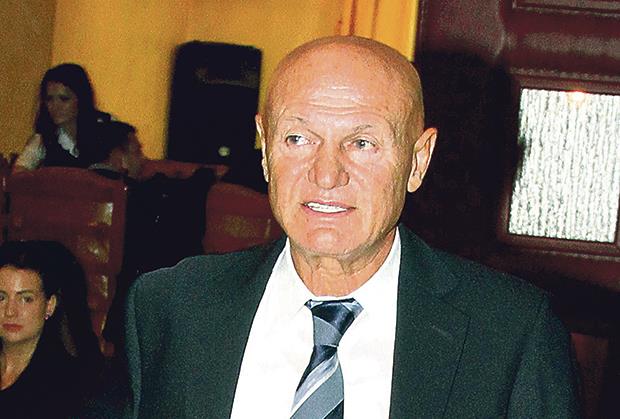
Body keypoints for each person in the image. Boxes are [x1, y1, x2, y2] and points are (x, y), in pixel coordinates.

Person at [123, 36, 580, 417]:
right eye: (298, 138)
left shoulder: (511, 337)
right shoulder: (170, 307)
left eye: (361, 143)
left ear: (418, 161)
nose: (326, 174)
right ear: (265, 149)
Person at [0, 240, 101, 418]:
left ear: (49, 305)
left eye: (26, 299)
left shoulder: (70, 383)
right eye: (1, 297)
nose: (10, 311)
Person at [12, 63, 110, 173]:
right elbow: (19, 173)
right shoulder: (42, 140)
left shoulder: (107, 129)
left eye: (64, 99)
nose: (55, 106)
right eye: (49, 99)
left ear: (81, 99)